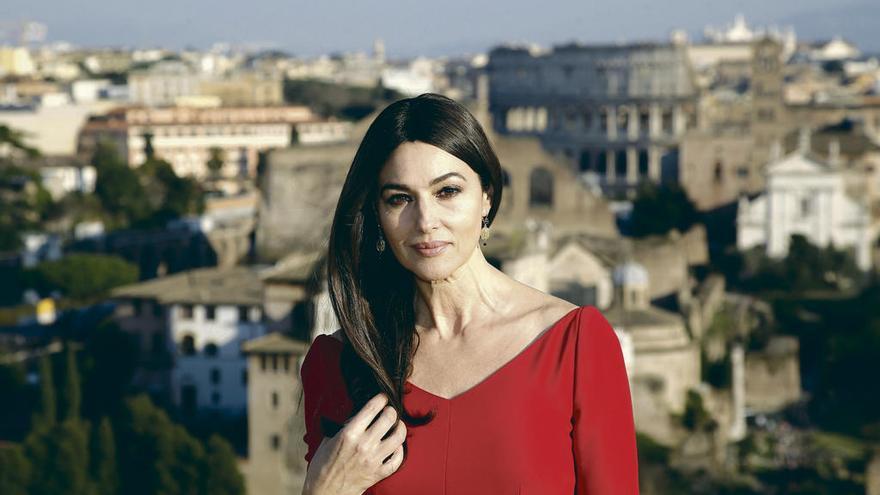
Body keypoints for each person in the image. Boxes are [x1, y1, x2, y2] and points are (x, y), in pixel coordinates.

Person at [300, 93, 639, 494]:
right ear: (376, 215)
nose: (426, 221)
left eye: (447, 192)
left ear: (486, 198)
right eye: (399, 199)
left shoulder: (575, 345)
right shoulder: (337, 363)